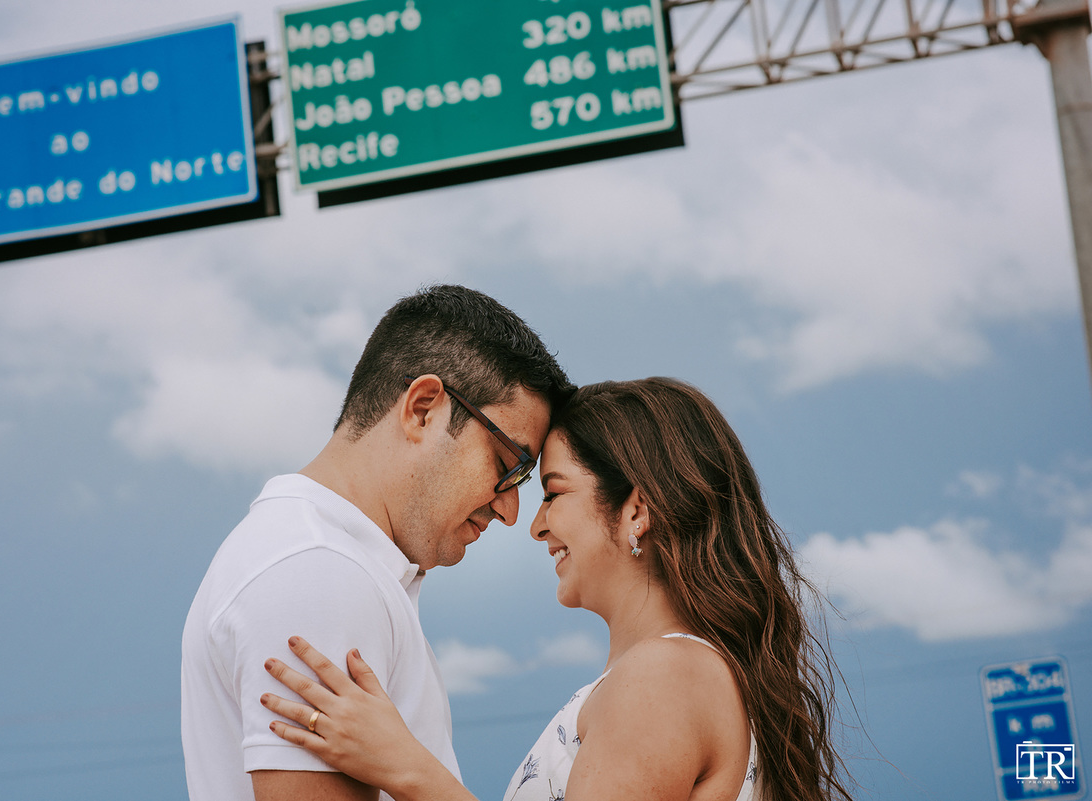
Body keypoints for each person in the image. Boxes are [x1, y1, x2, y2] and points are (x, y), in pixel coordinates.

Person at [258, 377, 856, 801]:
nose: (535, 523)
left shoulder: (663, 678)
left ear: (636, 510)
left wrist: (407, 768)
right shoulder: (682, 674)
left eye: (554, 491)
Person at [180, 284, 574, 801]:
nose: (510, 511)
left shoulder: (319, 559)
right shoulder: (318, 573)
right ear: (423, 408)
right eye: (507, 467)